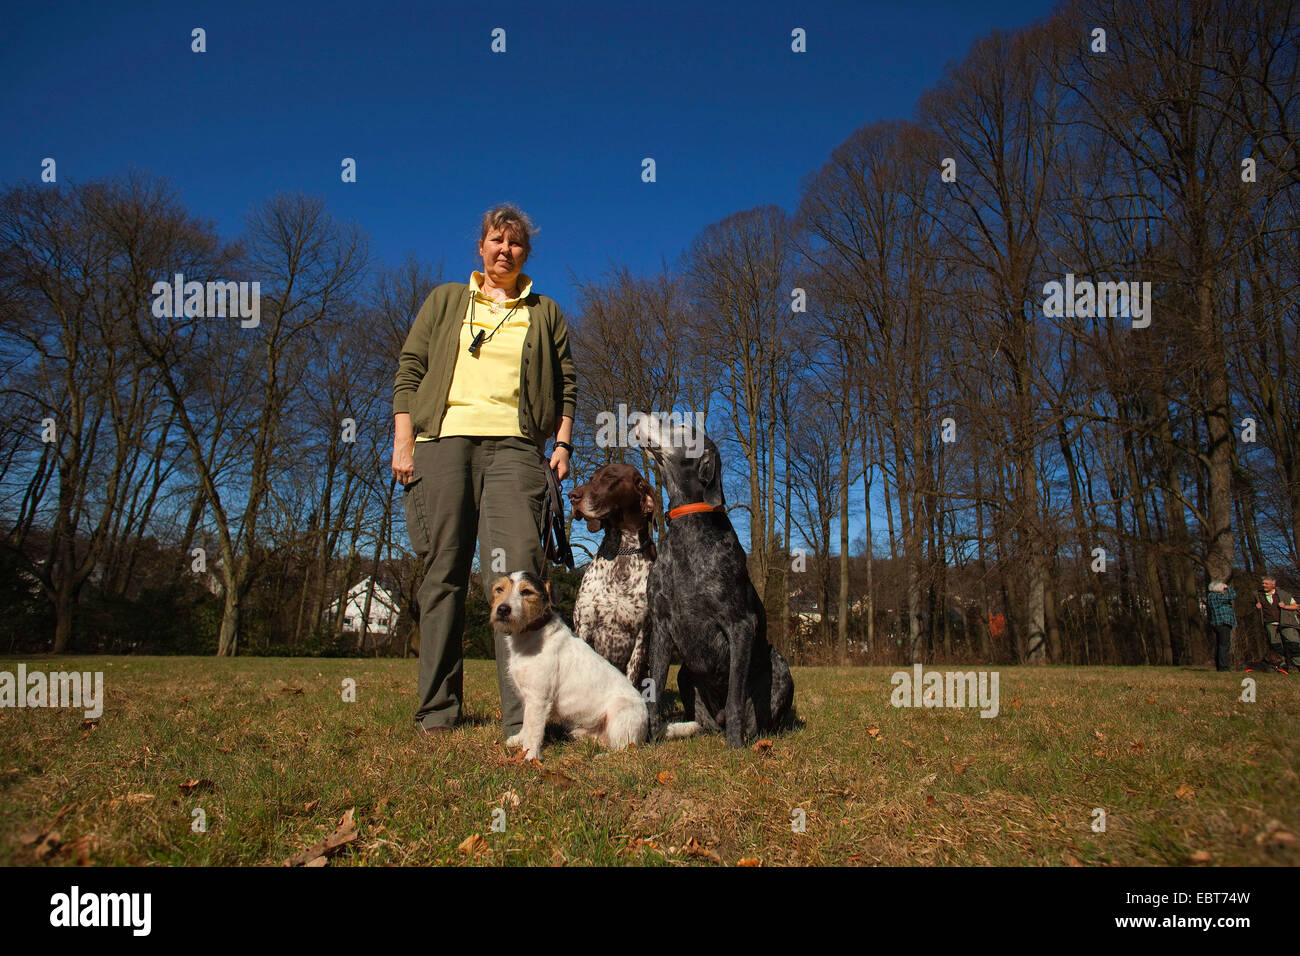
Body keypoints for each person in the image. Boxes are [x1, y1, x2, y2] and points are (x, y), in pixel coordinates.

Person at [392, 204, 576, 739]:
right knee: (442, 573)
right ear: (481, 245)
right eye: (497, 240)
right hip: (442, 443)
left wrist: (561, 444)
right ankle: (438, 713)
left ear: (526, 253)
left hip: (517, 449)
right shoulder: (447, 300)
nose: (505, 251)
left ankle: (525, 718)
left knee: (518, 575)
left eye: (516, 244)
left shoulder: (545, 312)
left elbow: (566, 383)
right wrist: (404, 440)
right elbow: (410, 369)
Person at [1254, 575, 1300, 670]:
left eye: (1266, 583)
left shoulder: (1284, 594)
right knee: (1276, 646)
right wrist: (1257, 606)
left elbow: (1296, 606)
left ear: (1273, 585)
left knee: (1293, 643)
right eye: (1263, 583)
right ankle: (1282, 666)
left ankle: (1298, 664)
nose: (1264, 585)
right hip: (1270, 623)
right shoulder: (1258, 595)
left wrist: (1285, 606)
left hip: (1286, 622)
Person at [1205, 580, 1236, 672]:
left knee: (1220, 645)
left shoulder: (1210, 597)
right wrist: (1228, 588)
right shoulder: (1219, 597)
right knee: (1224, 646)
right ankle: (1224, 667)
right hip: (1223, 623)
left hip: (1216, 623)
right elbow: (1233, 595)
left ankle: (1219, 666)